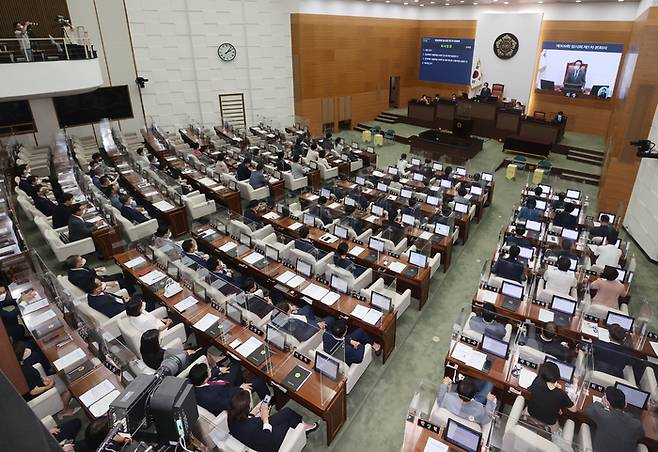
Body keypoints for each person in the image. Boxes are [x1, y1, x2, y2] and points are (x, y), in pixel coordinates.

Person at [228, 389, 318, 452]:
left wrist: (254, 413)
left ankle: (303, 426)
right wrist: (265, 418)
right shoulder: (253, 424)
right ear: (247, 408)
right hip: (269, 443)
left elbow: (248, 421)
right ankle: (303, 428)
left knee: (287, 412)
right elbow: (267, 436)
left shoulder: (230, 416)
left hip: (254, 433)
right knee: (286, 423)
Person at [14, 341, 79, 416]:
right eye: (25, 350)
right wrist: (49, 386)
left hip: (41, 382)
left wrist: (43, 379)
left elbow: (34, 377)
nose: (27, 350)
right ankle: (63, 411)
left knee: (62, 377)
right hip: (40, 392)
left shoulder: (21, 366)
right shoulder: (25, 371)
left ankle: (63, 400)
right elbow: (33, 391)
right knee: (69, 386)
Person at [188, 361, 270, 416]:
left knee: (235, 365)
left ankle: (240, 381)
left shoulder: (195, 381)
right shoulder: (211, 397)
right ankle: (267, 400)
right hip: (229, 395)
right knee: (258, 381)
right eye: (208, 370)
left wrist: (219, 369)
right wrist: (240, 388)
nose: (210, 369)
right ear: (205, 378)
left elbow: (206, 376)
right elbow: (229, 402)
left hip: (220, 385)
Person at [584, 386, 645, 452]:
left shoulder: (603, 415)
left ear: (608, 403)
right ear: (625, 404)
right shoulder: (637, 424)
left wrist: (602, 404)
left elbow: (588, 411)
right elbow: (641, 435)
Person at [527, 362, 575, 428]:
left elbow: (530, 390)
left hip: (531, 415)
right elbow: (574, 409)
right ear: (558, 376)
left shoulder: (537, 381)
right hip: (548, 425)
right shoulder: (561, 394)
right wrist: (572, 399)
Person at [66, 254, 134, 294]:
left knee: (120, 275)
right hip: (99, 285)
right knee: (125, 281)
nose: (83, 259)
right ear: (77, 264)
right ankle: (131, 292)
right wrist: (107, 283)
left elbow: (86, 271)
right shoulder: (79, 277)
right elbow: (91, 285)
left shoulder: (73, 270)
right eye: (81, 259)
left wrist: (97, 269)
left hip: (98, 279)